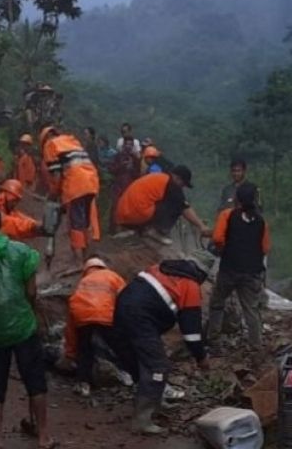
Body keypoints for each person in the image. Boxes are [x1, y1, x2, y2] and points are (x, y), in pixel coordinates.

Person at [0, 204, 56, 449]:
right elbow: (31, 291)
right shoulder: (21, 251)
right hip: (23, 326)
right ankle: (44, 436)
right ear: (0, 224)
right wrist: (31, 310)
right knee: (35, 379)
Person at [112, 259, 210, 435]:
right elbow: (191, 332)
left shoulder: (160, 269)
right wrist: (201, 357)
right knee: (157, 367)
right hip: (140, 317)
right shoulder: (190, 285)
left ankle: (154, 400)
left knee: (139, 361)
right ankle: (142, 421)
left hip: (121, 307)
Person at [207, 183, 270, 348]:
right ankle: (255, 345)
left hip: (229, 269)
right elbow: (265, 248)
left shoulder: (227, 215)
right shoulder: (261, 221)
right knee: (251, 309)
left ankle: (213, 339)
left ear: (237, 198)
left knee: (217, 302)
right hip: (252, 272)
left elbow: (218, 239)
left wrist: (224, 250)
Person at [63, 256, 127, 398]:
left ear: (87, 269)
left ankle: (84, 383)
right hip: (106, 315)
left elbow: (70, 325)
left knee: (85, 350)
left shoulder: (83, 282)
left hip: (82, 316)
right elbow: (126, 299)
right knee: (120, 346)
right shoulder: (113, 276)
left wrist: (70, 353)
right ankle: (131, 373)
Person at [40, 126, 101, 268]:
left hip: (76, 185)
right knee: (86, 224)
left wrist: (53, 195)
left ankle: (78, 262)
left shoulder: (51, 145)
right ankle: (88, 259)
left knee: (76, 225)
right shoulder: (71, 141)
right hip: (91, 182)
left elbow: (56, 175)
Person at [114, 166, 211, 245]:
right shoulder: (170, 184)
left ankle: (141, 232)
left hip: (123, 217)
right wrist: (201, 226)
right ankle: (157, 231)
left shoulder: (159, 178)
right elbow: (184, 208)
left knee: (156, 201)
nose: (182, 187)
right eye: (183, 184)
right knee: (176, 205)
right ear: (177, 178)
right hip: (137, 214)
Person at [107, 137, 141, 235]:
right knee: (115, 207)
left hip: (130, 186)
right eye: (127, 144)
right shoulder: (118, 156)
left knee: (128, 208)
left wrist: (132, 168)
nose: (129, 146)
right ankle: (112, 231)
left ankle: (127, 230)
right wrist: (121, 165)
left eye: (131, 144)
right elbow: (111, 169)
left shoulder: (135, 159)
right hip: (118, 185)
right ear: (123, 145)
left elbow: (138, 175)